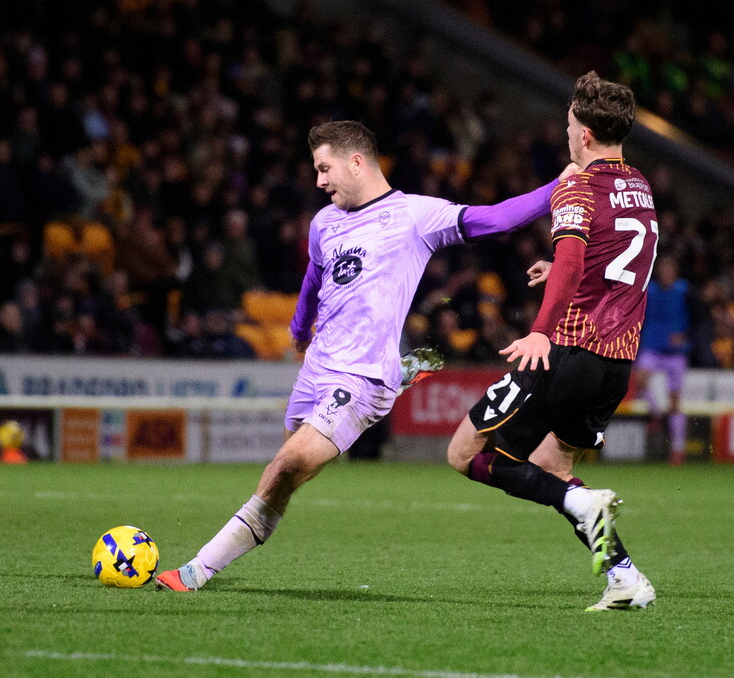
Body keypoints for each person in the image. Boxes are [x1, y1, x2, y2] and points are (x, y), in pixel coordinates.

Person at [156, 120, 564, 591]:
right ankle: (403, 368)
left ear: (356, 162)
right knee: (284, 476)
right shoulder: (324, 222)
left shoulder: (415, 215)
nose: (319, 181)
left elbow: (494, 218)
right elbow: (314, 276)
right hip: (317, 368)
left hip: (360, 378)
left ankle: (198, 569)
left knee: (286, 464)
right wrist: (297, 326)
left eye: (324, 168)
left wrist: (561, 184)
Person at [446, 71, 658, 611]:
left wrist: (540, 332)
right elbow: (612, 260)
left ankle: (579, 504)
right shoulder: (639, 185)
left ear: (584, 133)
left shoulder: (578, 184)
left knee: (463, 452)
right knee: (553, 466)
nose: (565, 135)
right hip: (616, 364)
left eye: (568, 124)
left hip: (566, 350)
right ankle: (624, 576)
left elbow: (570, 259)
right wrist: (569, 272)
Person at [634, 254, 691, 465]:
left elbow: (698, 316)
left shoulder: (685, 291)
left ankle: (677, 450)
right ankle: (657, 413)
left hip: (676, 351)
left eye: (670, 269)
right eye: (663, 269)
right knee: (640, 380)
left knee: (675, 403)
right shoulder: (650, 290)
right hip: (653, 346)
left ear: (675, 272)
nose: (666, 273)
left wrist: (686, 334)